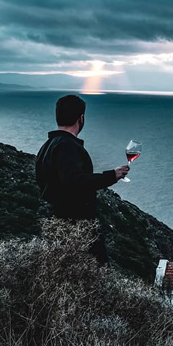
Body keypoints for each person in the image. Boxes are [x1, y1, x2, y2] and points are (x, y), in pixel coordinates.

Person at [36, 94, 130, 263]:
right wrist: (111, 176)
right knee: (96, 276)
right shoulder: (67, 145)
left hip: (56, 224)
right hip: (77, 228)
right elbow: (75, 181)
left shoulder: (47, 146)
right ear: (81, 118)